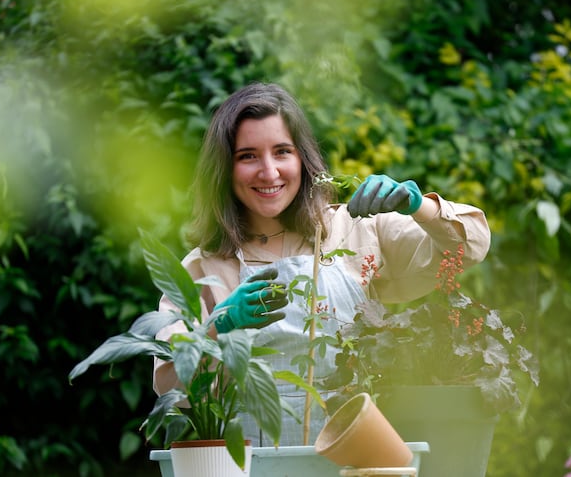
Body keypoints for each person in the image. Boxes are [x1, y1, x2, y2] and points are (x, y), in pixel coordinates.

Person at [153, 82, 491, 446]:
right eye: (247, 156)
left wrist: (417, 205)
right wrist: (219, 325)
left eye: (282, 151)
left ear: (303, 159)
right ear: (224, 169)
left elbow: (469, 246)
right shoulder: (202, 267)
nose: (269, 172)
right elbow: (170, 384)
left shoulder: (355, 230)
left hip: (356, 457)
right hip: (253, 466)